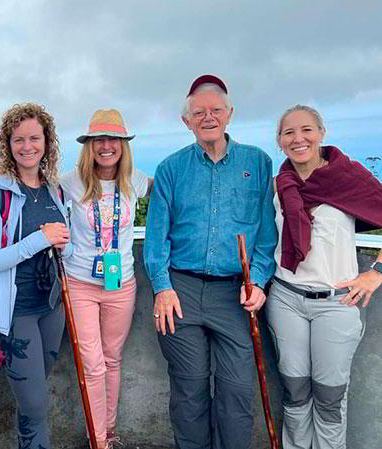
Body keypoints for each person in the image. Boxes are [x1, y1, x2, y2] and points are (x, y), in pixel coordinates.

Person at [144, 74, 278, 449]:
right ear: (186, 121)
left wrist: (259, 282)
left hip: (237, 293)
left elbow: (267, 234)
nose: (208, 117)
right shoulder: (171, 168)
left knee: (237, 390)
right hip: (180, 291)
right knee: (189, 391)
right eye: (199, 112)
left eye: (216, 110)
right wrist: (162, 287)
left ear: (229, 113)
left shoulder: (258, 162)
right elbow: (156, 236)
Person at [266, 105, 382, 449]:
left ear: (321, 134)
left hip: (337, 302)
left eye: (306, 130)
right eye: (288, 132)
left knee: (330, 397)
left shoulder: (349, 178)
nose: (298, 139)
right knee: (294, 392)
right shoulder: (279, 186)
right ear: (280, 141)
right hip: (286, 298)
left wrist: (375, 273)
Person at [0, 103, 71, 449]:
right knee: (35, 403)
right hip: (16, 313)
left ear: (47, 142)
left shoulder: (54, 190)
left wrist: (61, 244)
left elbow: (65, 247)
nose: (27, 146)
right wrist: (40, 239)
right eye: (19, 140)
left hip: (52, 308)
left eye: (34, 138)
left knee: (34, 400)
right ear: (8, 144)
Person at [59, 109, 151, 449]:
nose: (106, 146)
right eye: (99, 139)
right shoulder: (71, 181)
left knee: (113, 360)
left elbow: (171, 195)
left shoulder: (135, 180)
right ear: (89, 145)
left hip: (121, 283)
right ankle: (97, 440)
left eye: (113, 139)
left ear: (123, 145)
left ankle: (108, 433)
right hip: (80, 283)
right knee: (92, 364)